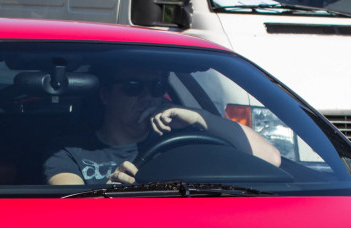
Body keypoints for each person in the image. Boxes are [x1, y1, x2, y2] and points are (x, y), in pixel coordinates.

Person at [44, 67, 281, 186]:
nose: (147, 97)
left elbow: (270, 158)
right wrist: (107, 193)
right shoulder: (69, 154)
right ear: (106, 95)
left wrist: (198, 117)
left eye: (157, 88)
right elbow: (69, 215)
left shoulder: (185, 141)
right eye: (134, 87)